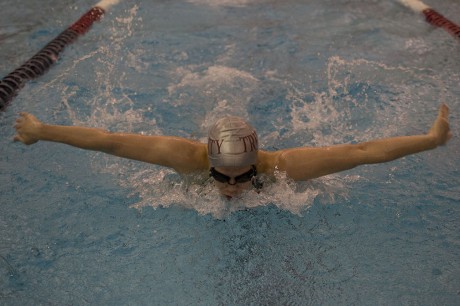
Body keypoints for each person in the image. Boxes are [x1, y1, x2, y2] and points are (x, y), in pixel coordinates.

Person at [14, 104, 451, 198]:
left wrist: (430, 141)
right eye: (224, 177)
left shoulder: (283, 166)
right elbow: (110, 141)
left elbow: (362, 151)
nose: (234, 186)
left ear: (257, 163)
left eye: (244, 176)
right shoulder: (187, 157)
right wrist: (41, 131)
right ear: (209, 163)